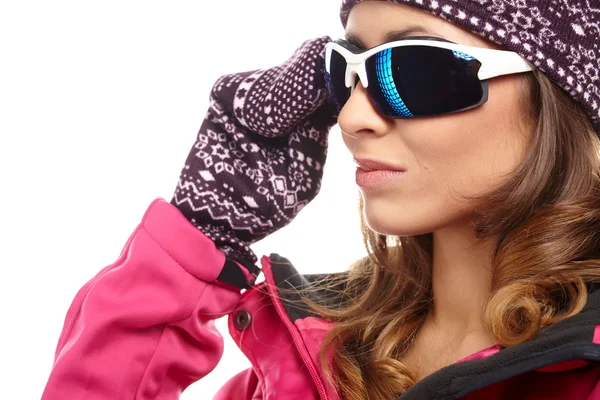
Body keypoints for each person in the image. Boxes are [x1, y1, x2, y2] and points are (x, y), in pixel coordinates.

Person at [41, 0, 600, 399]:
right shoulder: (306, 358)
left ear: (561, 99)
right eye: (346, 72)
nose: (352, 118)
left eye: (417, 70)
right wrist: (204, 227)